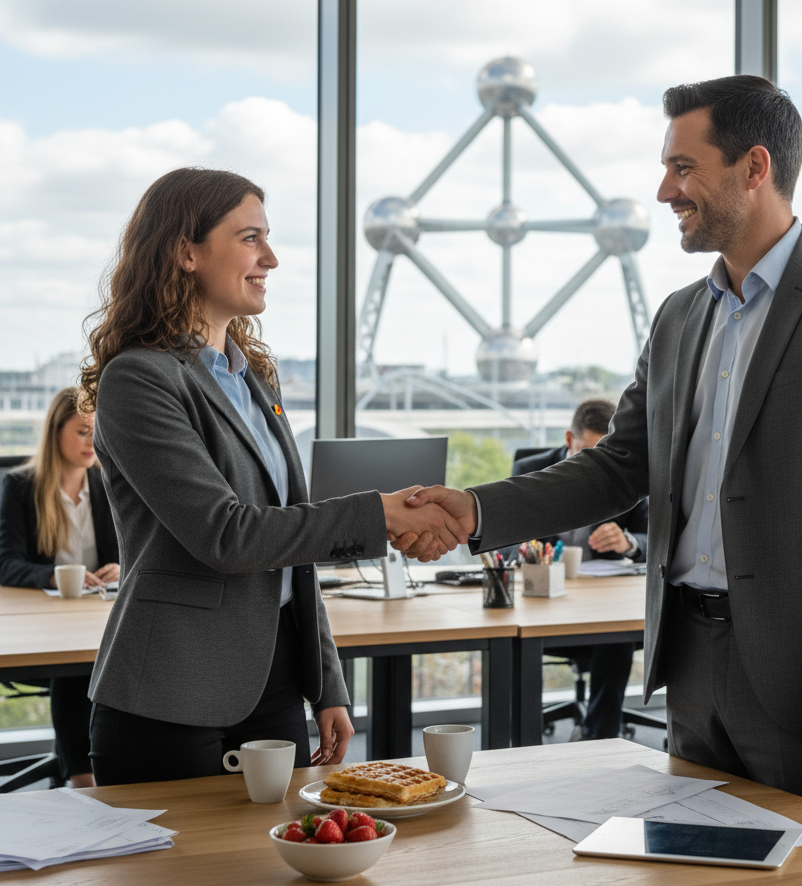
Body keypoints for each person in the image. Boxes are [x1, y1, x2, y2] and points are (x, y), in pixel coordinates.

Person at [408, 74, 802, 818]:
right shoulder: (679, 316)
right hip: (689, 661)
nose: (664, 191)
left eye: (683, 168)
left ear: (755, 169)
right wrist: (470, 509)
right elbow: (619, 466)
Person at [80, 167, 460, 786]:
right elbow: (227, 536)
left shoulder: (254, 380)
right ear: (185, 251)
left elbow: (291, 550)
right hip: (172, 691)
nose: (272, 259)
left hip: (277, 682)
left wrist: (326, 682)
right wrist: (381, 515)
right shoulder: (140, 378)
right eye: (251, 238)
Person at [505, 398, 648, 740]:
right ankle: (522, 737)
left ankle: (601, 737)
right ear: (570, 439)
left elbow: (656, 538)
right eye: (590, 452)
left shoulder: (628, 476)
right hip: (544, 606)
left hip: (605, 607)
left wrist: (628, 542)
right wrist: (525, 550)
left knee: (615, 634)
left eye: (607, 454)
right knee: (512, 634)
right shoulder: (532, 470)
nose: (599, 465)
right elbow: (505, 541)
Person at [0, 387, 120, 788]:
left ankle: (116, 772)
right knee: (77, 669)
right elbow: (5, 563)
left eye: (97, 432)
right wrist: (52, 575)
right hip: (41, 630)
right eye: (83, 431)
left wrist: (120, 567)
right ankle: (83, 777)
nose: (92, 442)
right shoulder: (20, 488)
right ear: (56, 432)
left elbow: (135, 551)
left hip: (99, 616)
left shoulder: (107, 486)